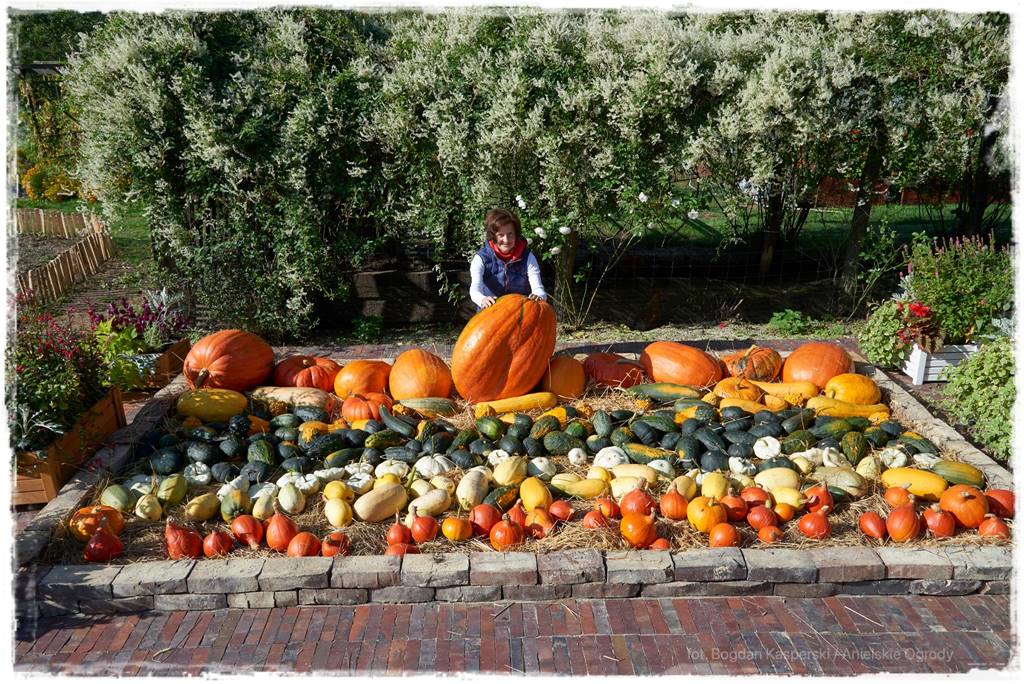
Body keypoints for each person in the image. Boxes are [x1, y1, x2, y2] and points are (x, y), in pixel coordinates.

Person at [469, 208, 547, 309]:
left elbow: (539, 290)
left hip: (520, 313)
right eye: (501, 235)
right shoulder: (481, 258)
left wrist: (538, 297)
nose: (506, 240)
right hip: (489, 313)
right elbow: (474, 290)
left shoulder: (528, 258)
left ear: (516, 235)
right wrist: (482, 299)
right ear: (493, 236)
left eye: (510, 234)